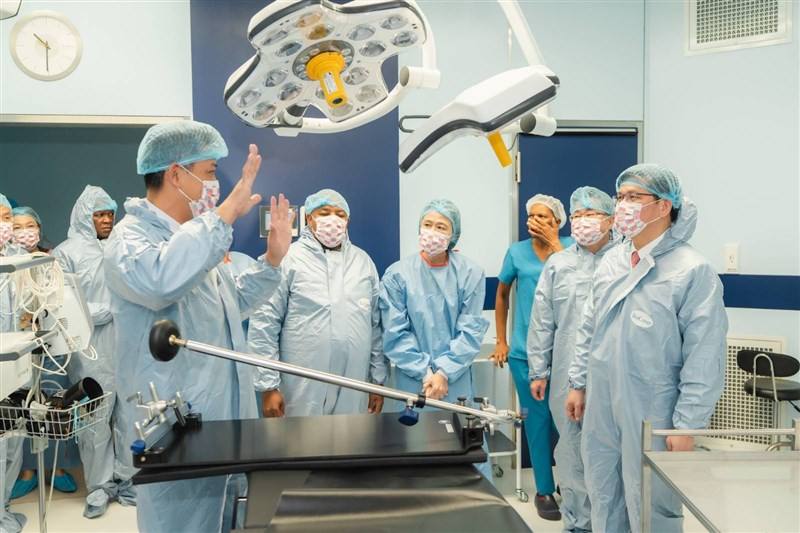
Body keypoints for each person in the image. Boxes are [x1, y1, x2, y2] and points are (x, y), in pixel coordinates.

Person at [103, 120, 293, 533]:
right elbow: (159, 282)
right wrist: (225, 215)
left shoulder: (193, 238)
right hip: (177, 427)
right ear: (176, 173)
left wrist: (273, 261)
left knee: (226, 517)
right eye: (209, 172)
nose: (215, 185)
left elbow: (231, 303)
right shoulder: (129, 240)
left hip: (223, 421)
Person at [565, 164, 728, 533]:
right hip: (603, 401)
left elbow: (704, 356)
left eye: (634, 197)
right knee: (604, 490)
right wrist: (578, 382)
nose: (623, 205)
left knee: (652, 502)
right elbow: (588, 327)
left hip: (654, 410)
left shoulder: (692, 270)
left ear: (664, 206)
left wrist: (688, 425)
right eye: (620, 197)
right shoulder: (613, 260)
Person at [379, 199, 492, 479]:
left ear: (453, 235)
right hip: (412, 379)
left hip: (454, 381)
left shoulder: (471, 273)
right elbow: (394, 333)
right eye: (427, 224)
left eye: (441, 226)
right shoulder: (397, 275)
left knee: (465, 455)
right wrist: (426, 372)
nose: (432, 231)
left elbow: (471, 329)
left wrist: (444, 371)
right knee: (413, 457)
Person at [249, 189, 387, 417]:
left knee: (350, 447)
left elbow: (375, 328)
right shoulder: (288, 259)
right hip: (301, 390)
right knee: (301, 447)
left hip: (353, 388)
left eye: (340, 215)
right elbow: (265, 324)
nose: (333, 219)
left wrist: (377, 382)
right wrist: (268, 386)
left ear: (348, 221)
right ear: (309, 218)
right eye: (325, 212)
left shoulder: (363, 263)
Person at [528, 186, 617, 533]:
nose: (583, 221)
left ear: (610, 220)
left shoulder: (624, 261)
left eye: (591, 214)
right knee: (571, 451)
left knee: (610, 453)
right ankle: (578, 524)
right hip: (566, 375)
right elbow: (542, 319)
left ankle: (610, 523)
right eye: (577, 215)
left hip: (613, 375)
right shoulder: (558, 264)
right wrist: (539, 369)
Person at [52, 185, 136, 518]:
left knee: (130, 418)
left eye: (110, 214)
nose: (106, 220)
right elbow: (65, 305)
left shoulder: (124, 246)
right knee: (94, 423)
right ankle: (99, 488)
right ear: (85, 217)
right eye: (99, 214)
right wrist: (112, 309)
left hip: (128, 345)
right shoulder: (66, 252)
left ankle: (129, 482)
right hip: (90, 351)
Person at [491, 193, 572, 520]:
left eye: (545, 217)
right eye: (532, 216)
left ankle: (571, 483)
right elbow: (501, 295)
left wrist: (556, 245)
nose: (536, 221)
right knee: (537, 422)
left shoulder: (570, 248)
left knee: (569, 423)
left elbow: (581, 280)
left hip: (566, 354)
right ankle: (544, 489)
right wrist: (501, 341)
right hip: (525, 355)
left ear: (558, 222)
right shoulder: (517, 252)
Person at [11, 207, 79, 499]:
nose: (25, 232)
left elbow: (62, 299)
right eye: (17, 227)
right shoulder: (7, 263)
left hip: (50, 341)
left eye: (30, 226)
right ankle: (27, 470)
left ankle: (58, 467)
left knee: (52, 403)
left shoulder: (50, 260)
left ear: (39, 228)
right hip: (18, 343)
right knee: (24, 405)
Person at [0, 193, 27, 533]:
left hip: (17, 361)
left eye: (8, 218)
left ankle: (4, 507)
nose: (5, 225)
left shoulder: (18, 259)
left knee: (14, 437)